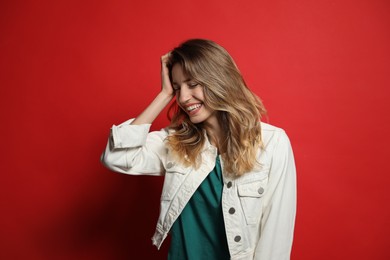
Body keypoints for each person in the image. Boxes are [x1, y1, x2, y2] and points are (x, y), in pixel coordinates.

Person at [101, 39, 296, 260]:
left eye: (193, 84)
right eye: (177, 88)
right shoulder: (177, 143)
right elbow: (116, 156)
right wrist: (163, 95)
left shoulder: (272, 143)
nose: (183, 97)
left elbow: (275, 238)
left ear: (219, 80)